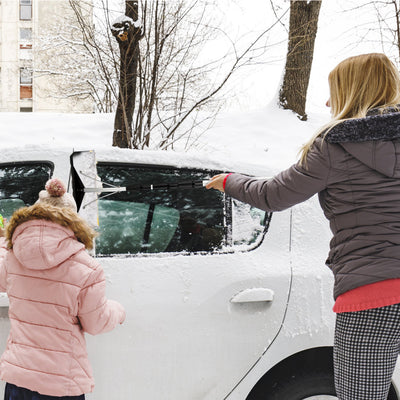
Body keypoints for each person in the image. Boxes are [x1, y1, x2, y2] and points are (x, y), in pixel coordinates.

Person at [206, 53, 400, 400]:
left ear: (352, 91)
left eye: (334, 91)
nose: (327, 102)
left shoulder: (336, 145)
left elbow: (274, 195)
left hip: (373, 294)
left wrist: (230, 182)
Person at [0, 178, 125, 400]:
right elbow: (96, 323)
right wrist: (117, 311)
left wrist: (5, 241)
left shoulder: (12, 257)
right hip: (61, 385)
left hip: (19, 380)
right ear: (73, 219)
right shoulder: (87, 268)